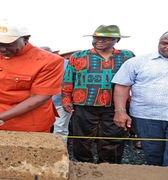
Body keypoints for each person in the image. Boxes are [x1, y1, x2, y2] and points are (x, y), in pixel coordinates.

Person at [62, 25, 135, 163]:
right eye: (96, 37)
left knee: (113, 139)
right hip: (83, 105)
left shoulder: (127, 57)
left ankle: (108, 169)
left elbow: (132, 80)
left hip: (114, 106)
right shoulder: (78, 56)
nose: (99, 41)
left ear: (116, 40)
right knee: (82, 139)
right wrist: (66, 99)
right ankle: (83, 167)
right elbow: (68, 79)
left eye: (105, 38)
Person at [112, 31, 168, 166]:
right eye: (164, 43)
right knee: (153, 154)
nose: (167, 47)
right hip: (147, 117)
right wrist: (120, 111)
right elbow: (122, 86)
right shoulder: (137, 62)